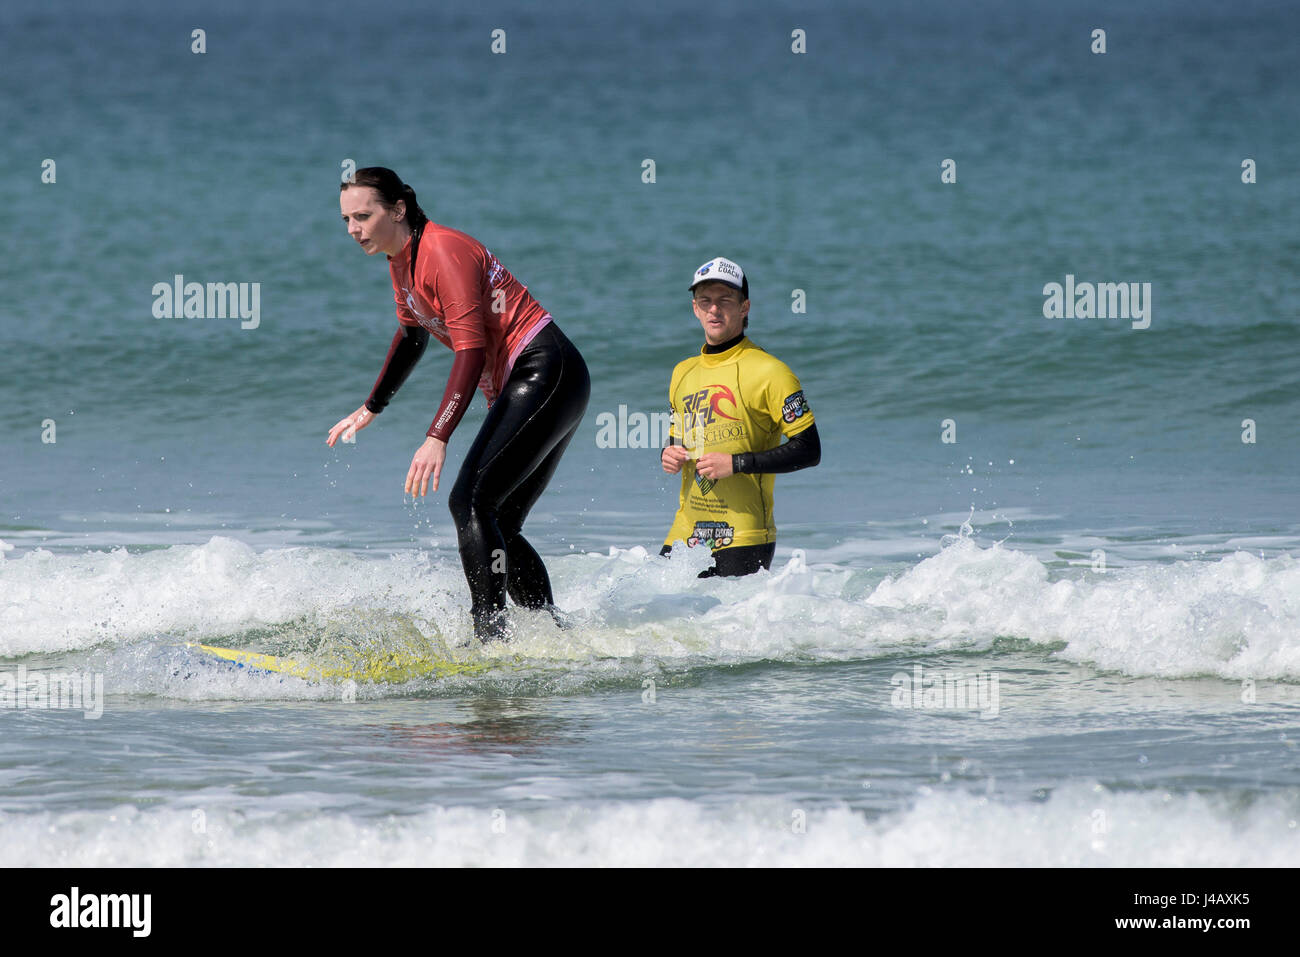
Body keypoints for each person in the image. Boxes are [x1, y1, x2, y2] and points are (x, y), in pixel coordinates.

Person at [328, 168, 589, 640]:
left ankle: (489, 639)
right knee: (500, 520)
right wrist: (372, 406)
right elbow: (411, 337)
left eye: (364, 216)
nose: (353, 229)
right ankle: (554, 637)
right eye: (347, 219)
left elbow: (469, 350)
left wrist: (437, 435)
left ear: (398, 210)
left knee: (470, 501)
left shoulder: (442, 250)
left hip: (544, 371)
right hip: (538, 380)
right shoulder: (401, 261)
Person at [660, 257, 820, 577]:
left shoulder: (771, 372)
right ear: (695, 308)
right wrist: (669, 452)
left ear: (744, 307)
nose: (714, 310)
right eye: (705, 301)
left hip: (743, 536)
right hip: (685, 532)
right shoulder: (682, 373)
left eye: (725, 300)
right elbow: (681, 436)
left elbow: (809, 449)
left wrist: (736, 464)